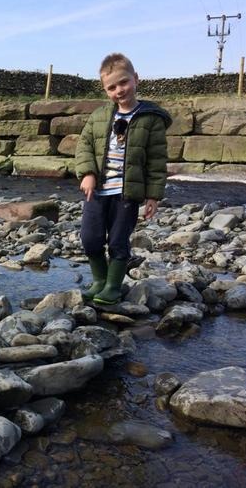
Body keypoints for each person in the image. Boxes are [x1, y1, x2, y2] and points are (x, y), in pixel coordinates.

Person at [74, 53, 172, 305]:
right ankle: (99, 281)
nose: (119, 90)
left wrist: (153, 196)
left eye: (124, 82)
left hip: (126, 194)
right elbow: (84, 146)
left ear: (135, 79)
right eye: (112, 87)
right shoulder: (99, 116)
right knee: (90, 239)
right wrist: (87, 173)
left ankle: (113, 287)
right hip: (97, 192)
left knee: (118, 241)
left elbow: (157, 160)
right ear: (105, 90)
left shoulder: (151, 119)